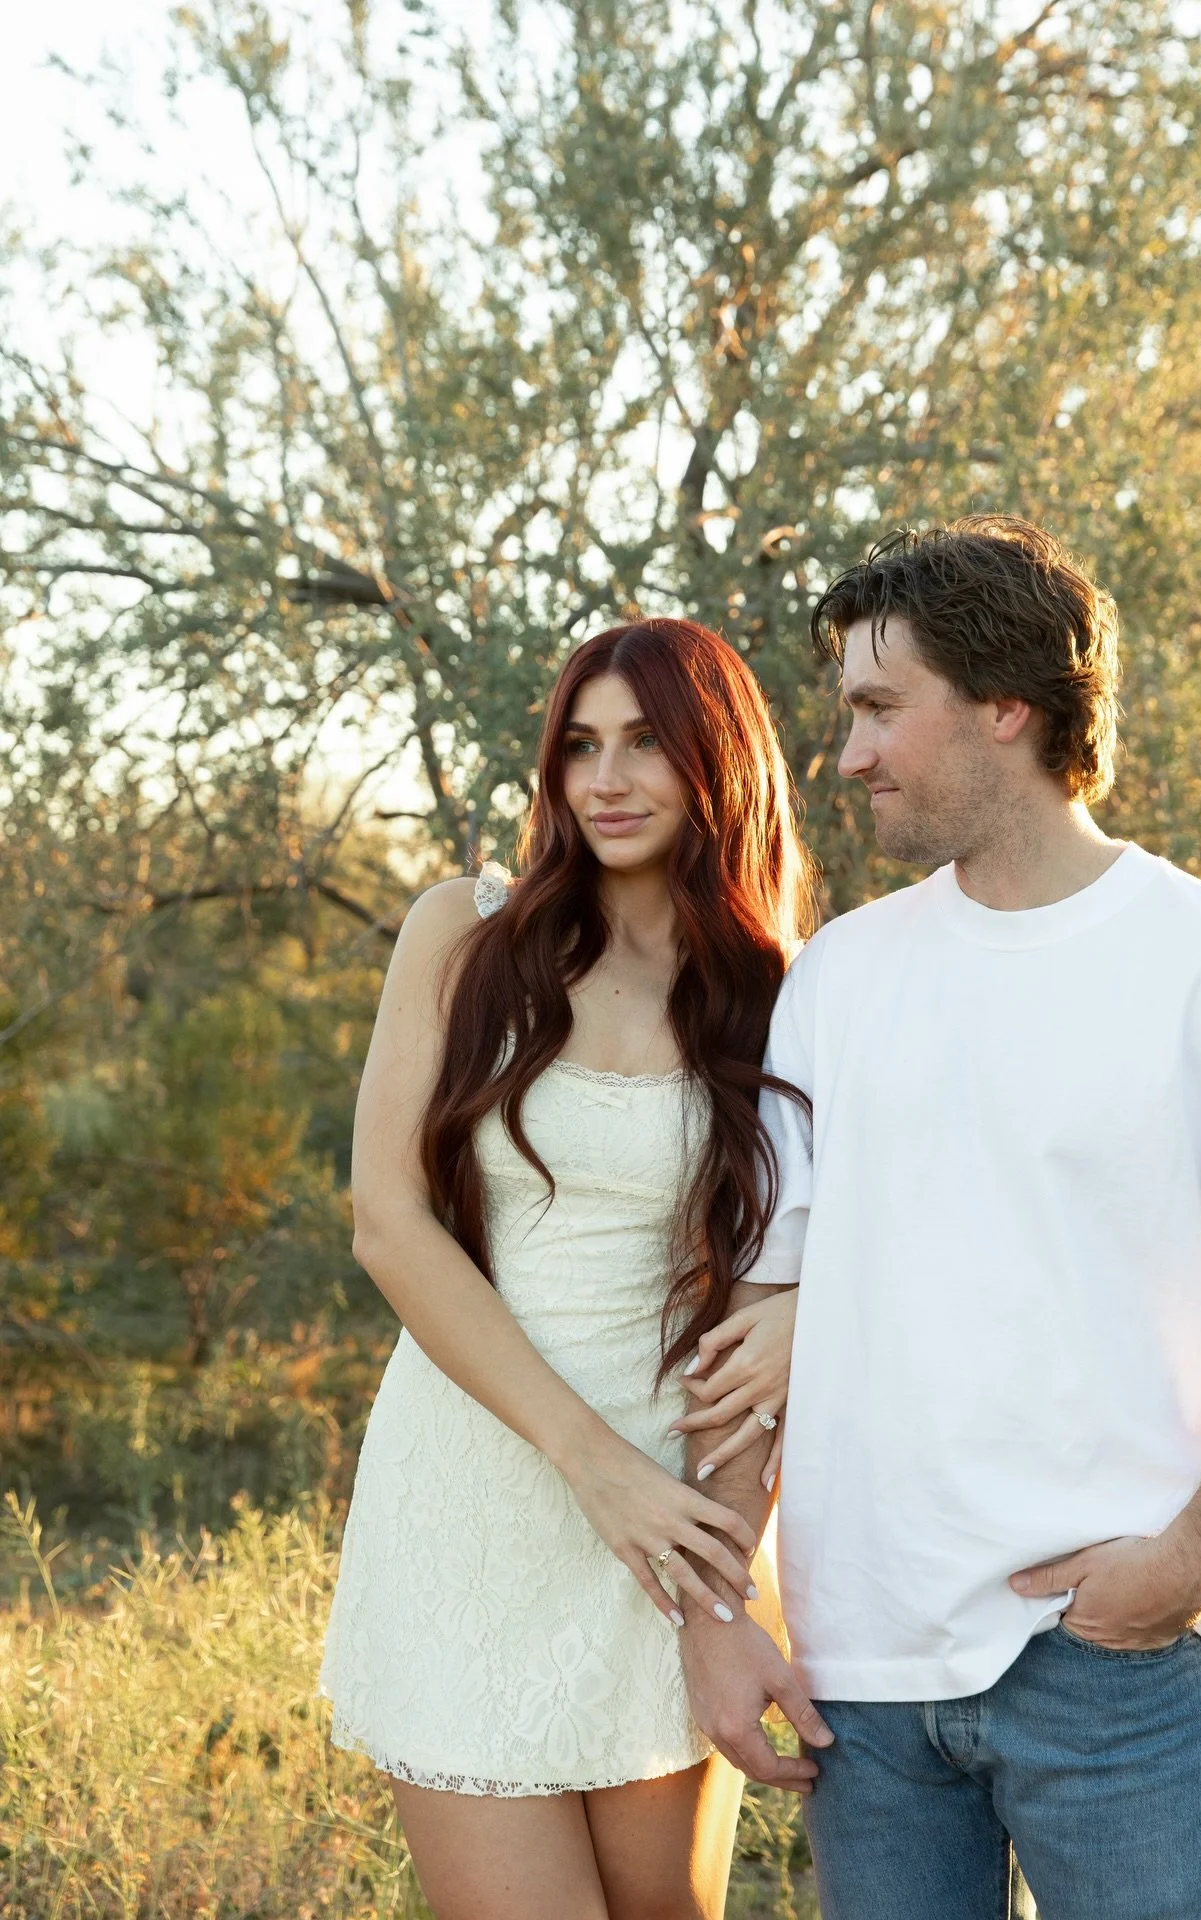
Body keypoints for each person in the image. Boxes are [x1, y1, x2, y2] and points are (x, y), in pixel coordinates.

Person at [673, 518, 1201, 1919]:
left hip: (1125, 1667)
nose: (848, 756)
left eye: (880, 708)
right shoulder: (841, 979)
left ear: (1006, 706)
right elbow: (760, 1321)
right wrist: (719, 1616)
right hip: (869, 1675)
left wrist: (1188, 1563)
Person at [319, 617, 819, 1920]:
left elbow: (775, 1278)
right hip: (480, 1488)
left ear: (718, 761)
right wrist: (594, 1466)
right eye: (580, 746)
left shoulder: (780, 993)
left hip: (672, 1519)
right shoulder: (465, 934)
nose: (606, 779)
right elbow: (388, 1222)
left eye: (646, 743)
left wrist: (718, 1568)